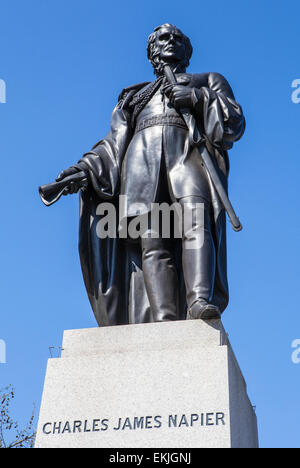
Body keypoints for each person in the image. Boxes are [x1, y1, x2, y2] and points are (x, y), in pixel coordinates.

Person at [54, 24, 245, 326]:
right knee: (153, 243)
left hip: (187, 156)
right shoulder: (134, 97)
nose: (171, 42)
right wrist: (85, 170)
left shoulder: (208, 80)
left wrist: (196, 98)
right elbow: (112, 144)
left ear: (187, 51)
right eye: (163, 38)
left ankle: (198, 301)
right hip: (140, 164)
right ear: (152, 51)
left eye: (178, 39)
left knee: (196, 222)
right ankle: (165, 320)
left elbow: (232, 121)